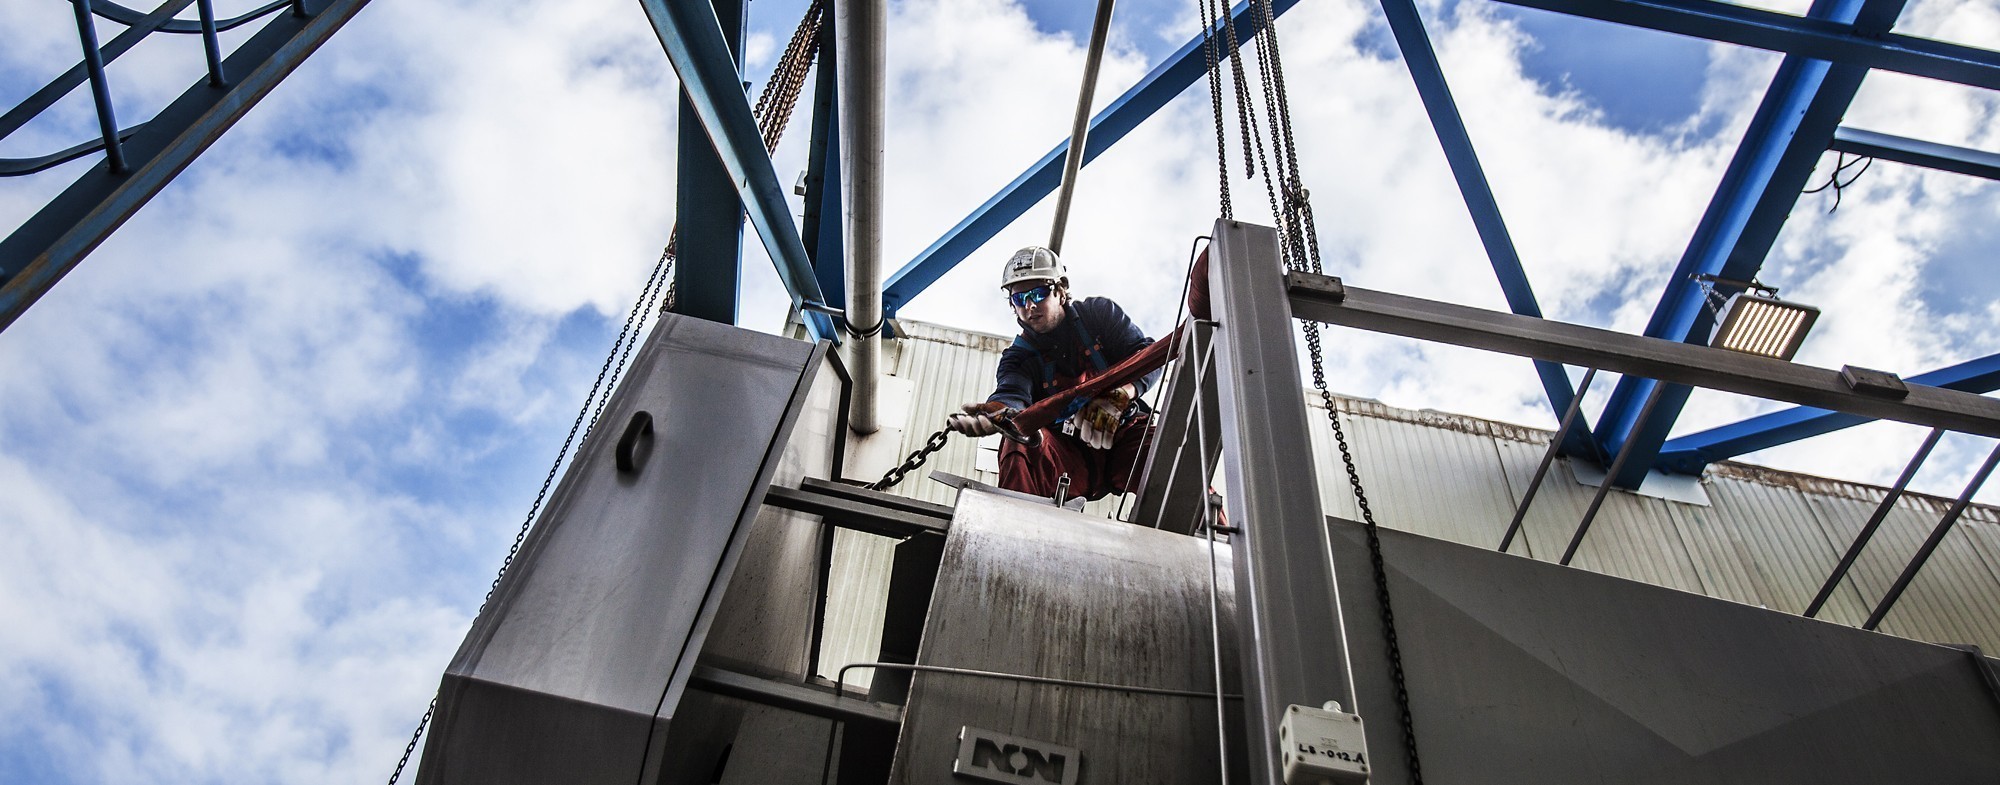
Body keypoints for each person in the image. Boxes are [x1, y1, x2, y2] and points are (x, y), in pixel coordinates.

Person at [946, 246, 1161, 501]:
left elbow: (1148, 355)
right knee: (1018, 437)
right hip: (1069, 458)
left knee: (1166, 459)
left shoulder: (1099, 315)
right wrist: (998, 412)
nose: (1029, 306)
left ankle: (1212, 531)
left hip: (1125, 438)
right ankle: (1015, 528)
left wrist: (1120, 395)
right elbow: (1011, 393)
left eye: (1038, 293)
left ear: (1060, 291)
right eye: (1019, 299)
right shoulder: (1019, 357)